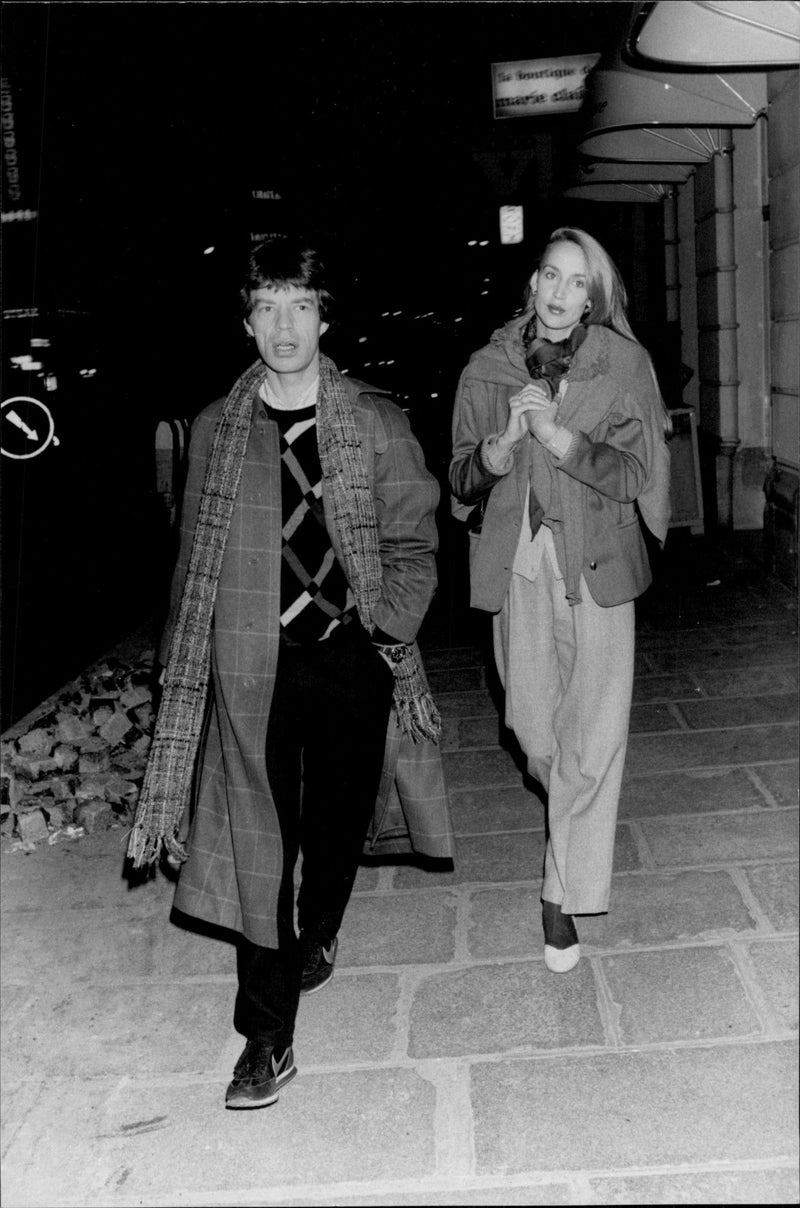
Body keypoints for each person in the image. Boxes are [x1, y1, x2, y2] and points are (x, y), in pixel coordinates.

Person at [128, 236, 453, 1109]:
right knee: (259, 846)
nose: (283, 325)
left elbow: (416, 546)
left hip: (349, 661)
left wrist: (384, 625)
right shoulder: (214, 431)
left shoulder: (377, 423)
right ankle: (264, 1039)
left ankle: (324, 925)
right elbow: (191, 561)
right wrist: (185, 667)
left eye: (299, 306)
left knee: (337, 823)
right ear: (246, 320)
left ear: (324, 317)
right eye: (266, 307)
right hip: (248, 668)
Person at [449, 226, 671, 974]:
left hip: (599, 559)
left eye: (578, 282)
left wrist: (566, 443)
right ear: (532, 283)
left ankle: (559, 892)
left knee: (596, 731)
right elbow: (459, 480)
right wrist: (503, 445)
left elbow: (640, 472)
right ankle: (571, 833)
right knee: (534, 728)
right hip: (520, 563)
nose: (559, 293)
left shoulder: (624, 365)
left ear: (595, 296)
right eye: (550, 275)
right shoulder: (487, 368)